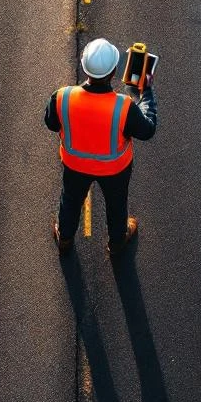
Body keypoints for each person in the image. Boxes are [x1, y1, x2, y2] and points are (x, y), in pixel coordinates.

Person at [45, 38, 157, 256]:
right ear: (113, 72)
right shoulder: (124, 106)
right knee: (116, 205)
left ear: (84, 68)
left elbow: (51, 123)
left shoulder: (62, 97)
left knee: (70, 200)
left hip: (74, 166)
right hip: (114, 170)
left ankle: (65, 238)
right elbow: (147, 129)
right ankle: (117, 242)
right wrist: (146, 92)